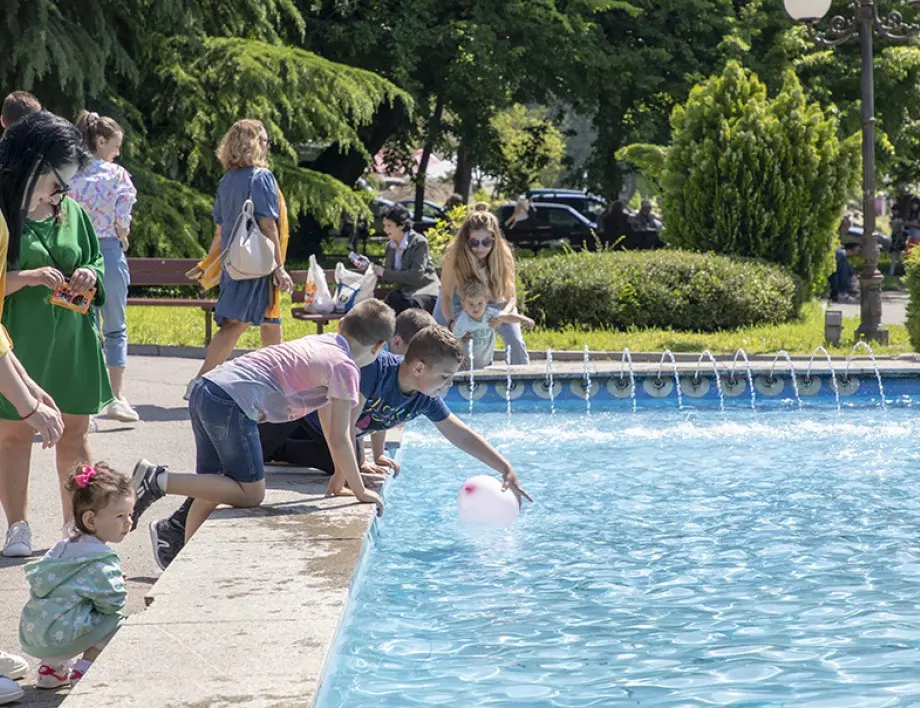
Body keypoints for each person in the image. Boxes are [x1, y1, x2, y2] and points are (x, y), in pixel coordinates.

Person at [148, 323, 532, 570]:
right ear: (417, 367)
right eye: (445, 377)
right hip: (290, 422)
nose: (448, 385)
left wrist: (504, 466)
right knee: (236, 477)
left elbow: (458, 433)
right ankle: (173, 526)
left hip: (314, 437)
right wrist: (348, 475)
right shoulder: (369, 370)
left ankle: (177, 537)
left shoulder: (423, 398)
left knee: (238, 474)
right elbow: (342, 429)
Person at [129, 299, 395, 545]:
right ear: (378, 347)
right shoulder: (345, 367)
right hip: (232, 402)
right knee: (251, 493)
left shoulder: (324, 343)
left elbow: (329, 425)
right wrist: (359, 489)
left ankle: (180, 553)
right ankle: (159, 480)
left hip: (208, 389)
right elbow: (340, 437)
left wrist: (340, 477)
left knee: (213, 486)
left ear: (341, 324)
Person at [0, 112, 108, 558]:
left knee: (74, 431)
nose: (62, 192)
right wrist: (25, 278)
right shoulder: (8, 212)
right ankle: (18, 526)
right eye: (58, 181)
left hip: (71, 339)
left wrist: (89, 275)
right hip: (19, 337)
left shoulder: (73, 212)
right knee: (13, 433)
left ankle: (76, 524)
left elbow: (99, 265)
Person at [183, 119, 293, 399]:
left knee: (271, 322)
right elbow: (268, 225)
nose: (268, 146)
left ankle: (277, 386)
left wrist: (209, 265)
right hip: (257, 264)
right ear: (255, 144)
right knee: (236, 324)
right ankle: (200, 382)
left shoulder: (227, 180)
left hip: (236, 263)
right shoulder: (261, 177)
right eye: (265, 140)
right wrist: (279, 267)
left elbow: (220, 231)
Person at [19, 463, 132, 689]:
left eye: (130, 514)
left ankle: (51, 670)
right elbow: (114, 602)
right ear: (91, 520)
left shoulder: (61, 548)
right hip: (66, 637)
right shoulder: (100, 557)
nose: (129, 522)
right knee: (120, 621)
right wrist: (116, 581)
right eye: (120, 515)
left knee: (61, 607)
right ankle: (86, 668)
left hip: (35, 636)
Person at [70, 111, 139, 422]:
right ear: (100, 141)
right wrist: (122, 236)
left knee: (81, 325)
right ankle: (116, 396)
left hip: (76, 255)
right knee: (115, 326)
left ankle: (81, 394)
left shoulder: (70, 173)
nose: (118, 151)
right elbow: (123, 218)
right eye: (115, 144)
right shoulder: (117, 175)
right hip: (108, 251)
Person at [435, 202, 530, 365]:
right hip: (459, 300)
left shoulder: (504, 255)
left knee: (515, 342)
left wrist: (503, 316)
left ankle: (524, 385)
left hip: (495, 302)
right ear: (466, 240)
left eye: (486, 242)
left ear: (494, 239)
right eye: (474, 243)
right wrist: (451, 323)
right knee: (439, 342)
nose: (480, 248)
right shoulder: (454, 254)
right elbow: (445, 295)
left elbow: (511, 297)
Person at [369, 204, 440, 315]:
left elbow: (416, 275)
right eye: (384, 225)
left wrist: (384, 273)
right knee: (393, 301)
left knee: (406, 305)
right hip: (404, 293)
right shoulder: (390, 246)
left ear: (401, 225)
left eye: (389, 225)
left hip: (424, 290)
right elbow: (387, 277)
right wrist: (370, 267)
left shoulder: (419, 242)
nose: (385, 229)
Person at [452, 279, 534, 369]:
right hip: (466, 366)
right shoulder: (463, 321)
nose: (476, 308)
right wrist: (459, 358)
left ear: (486, 302)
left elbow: (506, 317)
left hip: (486, 363)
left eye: (480, 303)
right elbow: (455, 341)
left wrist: (523, 319)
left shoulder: (489, 313)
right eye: (471, 304)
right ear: (463, 304)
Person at [889, 203, 906, 277]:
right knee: (898, 257)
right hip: (894, 238)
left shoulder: (900, 219)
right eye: (893, 210)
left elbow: (901, 230)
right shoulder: (893, 219)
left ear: (898, 211)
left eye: (895, 210)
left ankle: (891, 273)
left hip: (898, 239)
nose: (894, 212)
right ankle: (908, 270)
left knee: (894, 257)